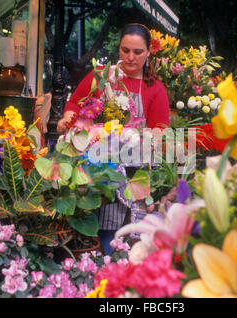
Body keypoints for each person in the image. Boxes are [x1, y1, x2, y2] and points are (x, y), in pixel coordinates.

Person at [57, 23, 170, 255]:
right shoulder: (100, 77)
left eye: (137, 52)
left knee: (124, 237)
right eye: (124, 50)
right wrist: (67, 117)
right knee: (93, 230)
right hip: (94, 173)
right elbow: (74, 104)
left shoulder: (154, 88)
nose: (130, 57)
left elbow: (160, 131)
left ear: (148, 53)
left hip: (132, 172)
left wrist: (141, 140)